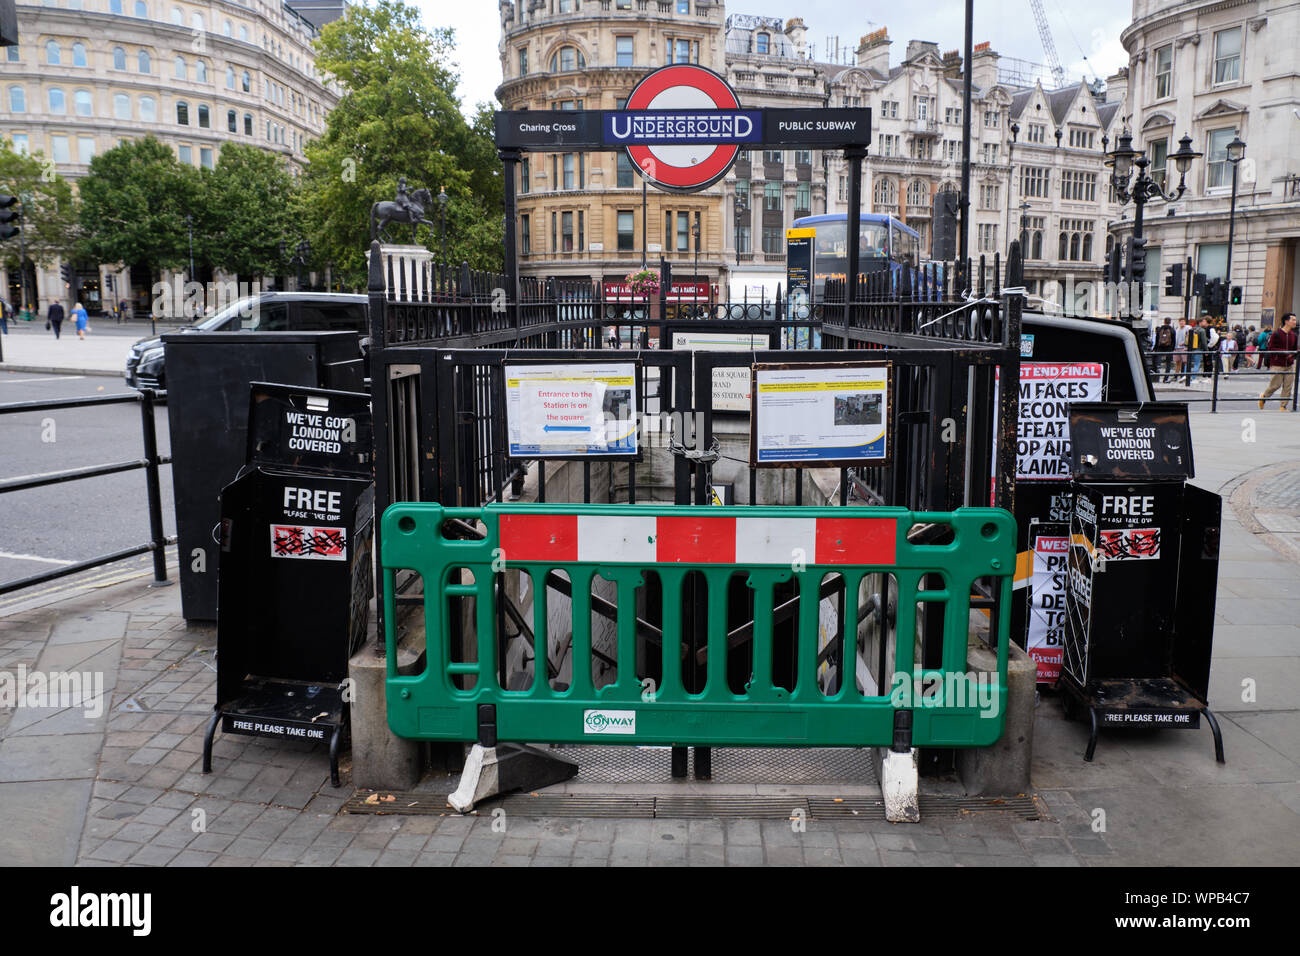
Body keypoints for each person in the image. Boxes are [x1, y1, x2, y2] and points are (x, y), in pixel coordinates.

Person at [1259, 312, 1299, 410]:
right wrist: (1285, 352)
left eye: (1295, 320)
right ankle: (1264, 397)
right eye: (1293, 320)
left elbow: (1294, 349)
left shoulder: (1294, 335)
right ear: (1286, 321)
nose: (1295, 322)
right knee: (1275, 385)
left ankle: (1283, 406)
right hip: (1277, 363)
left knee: (1288, 386)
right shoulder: (1276, 334)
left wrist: (1294, 353)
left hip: (1289, 364)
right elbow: (1271, 348)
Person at [1153, 318, 1176, 382]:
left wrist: (1155, 348)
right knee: (1168, 364)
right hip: (1169, 348)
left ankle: (1156, 377)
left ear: (1164, 321)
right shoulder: (1172, 330)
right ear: (1170, 322)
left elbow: (1157, 339)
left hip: (1160, 348)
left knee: (1157, 362)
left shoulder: (1160, 329)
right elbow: (1174, 340)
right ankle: (1165, 379)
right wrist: (1172, 348)